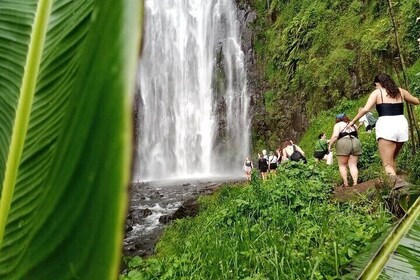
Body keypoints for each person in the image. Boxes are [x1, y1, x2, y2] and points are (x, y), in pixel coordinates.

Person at [348, 73, 419, 181]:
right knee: (392, 159)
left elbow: (366, 109)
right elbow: (416, 101)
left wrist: (353, 121)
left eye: (375, 85)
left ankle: (397, 187)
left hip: (386, 126)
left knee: (387, 164)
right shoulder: (400, 91)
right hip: (401, 125)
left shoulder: (377, 92)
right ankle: (394, 186)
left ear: (378, 83)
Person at [329, 113, 362, 187]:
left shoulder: (338, 125)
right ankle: (355, 183)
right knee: (353, 165)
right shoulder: (353, 124)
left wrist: (330, 145)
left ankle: (346, 183)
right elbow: (357, 133)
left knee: (342, 165)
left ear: (337, 119)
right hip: (355, 142)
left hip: (343, 143)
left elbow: (335, 136)